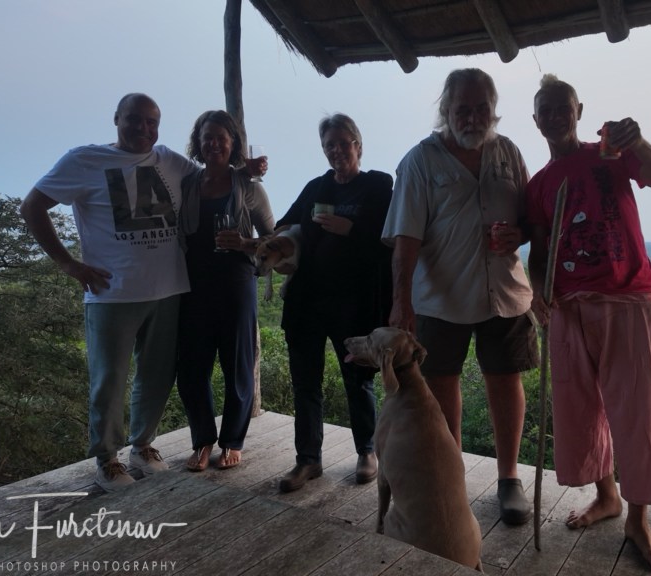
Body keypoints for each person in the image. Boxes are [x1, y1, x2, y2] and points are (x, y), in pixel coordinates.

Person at [19, 93, 266, 492]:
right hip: (112, 292)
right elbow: (32, 207)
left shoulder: (169, 160)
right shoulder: (85, 159)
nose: (143, 128)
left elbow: (215, 170)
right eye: (134, 119)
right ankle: (107, 459)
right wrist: (69, 265)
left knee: (156, 378)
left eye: (152, 122)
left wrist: (245, 169)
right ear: (116, 118)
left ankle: (143, 446)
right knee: (110, 380)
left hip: (169, 291)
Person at [525, 74, 651, 571]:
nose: (555, 116)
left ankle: (639, 519)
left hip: (627, 297)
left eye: (563, 107)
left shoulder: (610, 153)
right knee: (581, 409)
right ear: (536, 120)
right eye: (546, 110)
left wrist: (639, 142)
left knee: (639, 410)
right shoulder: (539, 185)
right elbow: (539, 251)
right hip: (568, 306)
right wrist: (536, 294)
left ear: (579, 110)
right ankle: (607, 496)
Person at [383, 68, 538, 526]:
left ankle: (509, 478)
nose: (472, 117)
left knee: (505, 380)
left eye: (481, 108)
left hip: (504, 293)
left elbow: (532, 217)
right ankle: (452, 481)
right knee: (440, 384)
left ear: (493, 109)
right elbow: (405, 238)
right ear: (446, 110)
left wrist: (520, 233)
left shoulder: (508, 153)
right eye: (462, 109)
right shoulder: (420, 161)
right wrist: (401, 301)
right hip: (439, 297)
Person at [273, 113, 393, 493]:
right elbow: (284, 224)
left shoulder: (378, 185)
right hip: (308, 300)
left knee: (358, 379)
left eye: (343, 143)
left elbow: (391, 240)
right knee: (305, 383)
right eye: (330, 145)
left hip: (355, 303)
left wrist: (351, 228)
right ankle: (308, 459)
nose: (337, 151)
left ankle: (367, 451)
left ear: (358, 145)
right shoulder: (316, 187)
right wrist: (275, 246)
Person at [176, 110, 275, 472]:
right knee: (191, 367)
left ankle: (232, 440)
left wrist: (245, 243)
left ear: (233, 144)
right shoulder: (187, 184)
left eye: (221, 137)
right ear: (198, 143)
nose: (214, 144)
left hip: (236, 283)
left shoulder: (249, 187)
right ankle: (202, 439)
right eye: (208, 137)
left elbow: (274, 239)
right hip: (193, 284)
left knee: (238, 365)